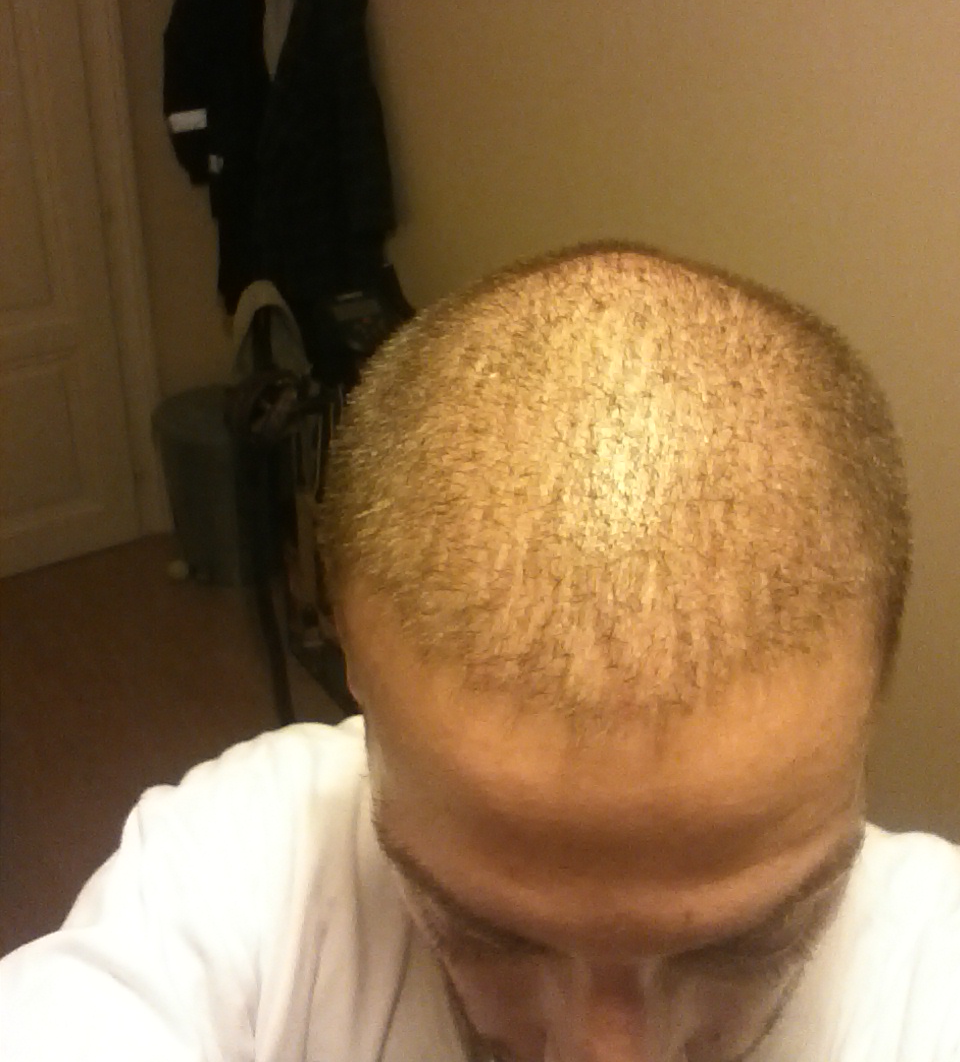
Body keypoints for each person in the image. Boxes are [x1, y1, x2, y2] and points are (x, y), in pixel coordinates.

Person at [2, 243, 957, 1061]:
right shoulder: (242, 873)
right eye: (488, 937)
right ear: (360, 683)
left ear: (868, 712)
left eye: (745, 946)